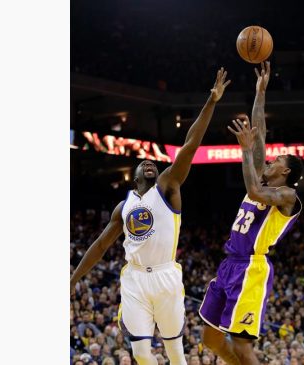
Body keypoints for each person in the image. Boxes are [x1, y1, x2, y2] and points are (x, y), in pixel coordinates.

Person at [70, 68, 231, 365]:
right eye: (142, 162)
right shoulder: (124, 206)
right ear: (132, 177)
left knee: (175, 352)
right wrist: (72, 280)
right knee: (142, 353)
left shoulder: (168, 186)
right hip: (134, 278)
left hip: (165, 275)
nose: (148, 163)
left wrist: (212, 101)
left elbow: (191, 144)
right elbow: (101, 246)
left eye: (152, 163)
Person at [200, 62, 304, 365]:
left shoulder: (287, 196)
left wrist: (244, 152)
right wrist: (260, 92)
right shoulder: (262, 177)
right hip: (229, 264)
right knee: (211, 339)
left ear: (285, 170)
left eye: (277, 159)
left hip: (252, 269)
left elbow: (257, 192)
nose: (269, 158)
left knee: (243, 347)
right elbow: (259, 135)